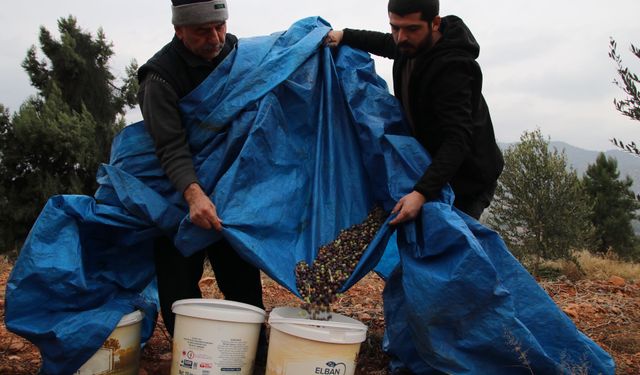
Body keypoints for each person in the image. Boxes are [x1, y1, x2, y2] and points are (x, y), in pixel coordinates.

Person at [137, 0, 264, 336]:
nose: (215, 38)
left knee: (242, 281)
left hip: (228, 190)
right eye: (202, 31)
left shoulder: (235, 52)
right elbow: (170, 147)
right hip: (177, 194)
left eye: (220, 26)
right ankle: (189, 353)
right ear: (179, 30)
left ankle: (253, 352)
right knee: (179, 286)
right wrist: (194, 196)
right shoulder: (160, 78)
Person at [326, 0, 503, 222]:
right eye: (395, 27)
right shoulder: (410, 45)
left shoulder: (453, 68)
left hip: (468, 177)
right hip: (433, 164)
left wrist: (421, 193)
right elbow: (383, 42)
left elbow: (457, 140)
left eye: (411, 28)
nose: (401, 37)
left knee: (454, 241)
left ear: (435, 24)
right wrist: (344, 35)